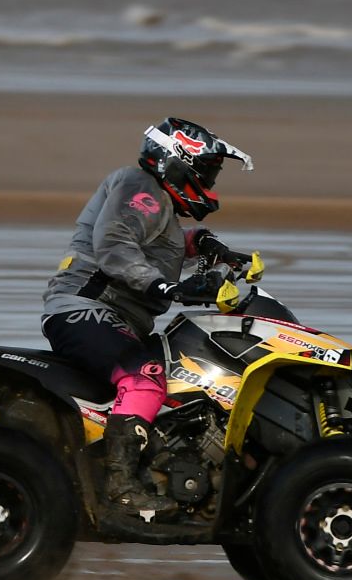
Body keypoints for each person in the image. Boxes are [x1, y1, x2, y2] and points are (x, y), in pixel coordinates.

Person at [41, 117, 256, 518]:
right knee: (147, 376)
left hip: (106, 316)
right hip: (86, 309)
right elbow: (116, 244)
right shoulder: (142, 187)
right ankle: (119, 487)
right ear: (176, 162)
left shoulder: (155, 202)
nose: (209, 182)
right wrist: (167, 289)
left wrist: (205, 246)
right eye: (206, 171)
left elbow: (156, 241)